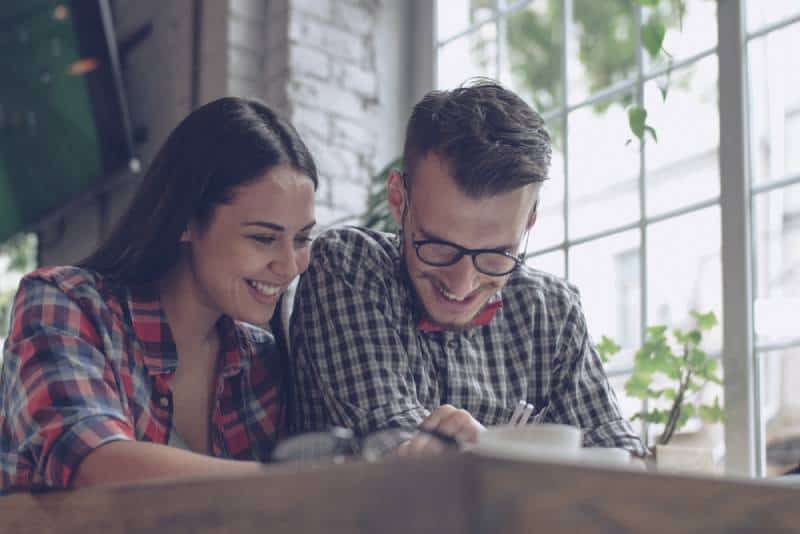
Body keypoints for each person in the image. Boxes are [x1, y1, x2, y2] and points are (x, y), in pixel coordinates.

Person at [288, 79, 647, 457]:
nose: (461, 285)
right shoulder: (348, 268)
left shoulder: (552, 313)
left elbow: (620, 462)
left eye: (496, 254)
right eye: (439, 246)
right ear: (398, 200)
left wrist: (487, 451)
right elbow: (401, 450)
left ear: (529, 222)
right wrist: (514, 452)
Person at [0, 97, 318, 492]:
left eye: (302, 238)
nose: (289, 266)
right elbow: (95, 465)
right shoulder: (64, 304)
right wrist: (294, 484)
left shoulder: (261, 364)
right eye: (263, 238)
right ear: (185, 222)